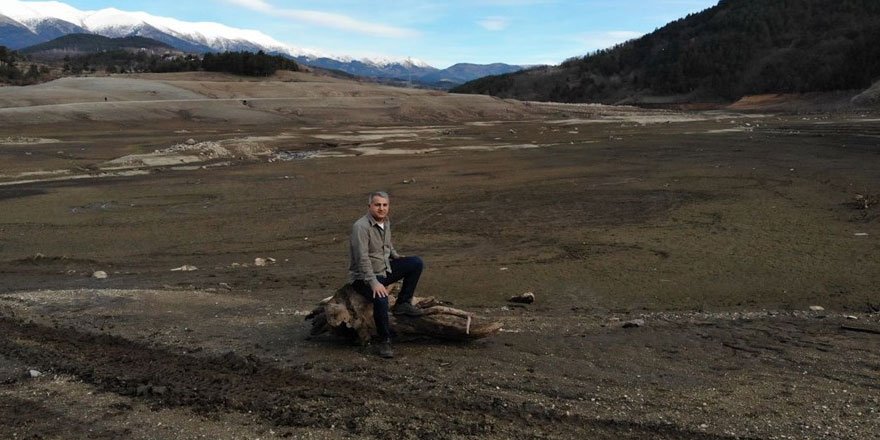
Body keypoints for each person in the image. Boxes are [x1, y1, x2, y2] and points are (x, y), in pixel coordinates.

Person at [349, 191, 424, 358]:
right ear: (369, 206)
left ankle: (403, 303)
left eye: (384, 205)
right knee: (381, 298)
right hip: (363, 277)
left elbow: (387, 244)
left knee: (416, 263)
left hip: (384, 269)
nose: (381, 208)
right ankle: (385, 340)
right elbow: (362, 259)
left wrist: (396, 256)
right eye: (377, 205)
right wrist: (374, 283)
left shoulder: (385, 221)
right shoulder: (360, 227)